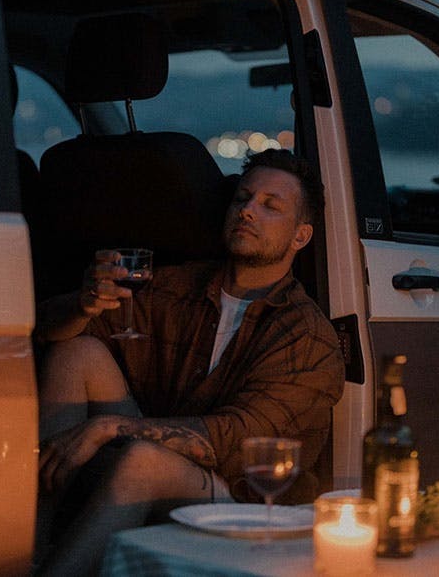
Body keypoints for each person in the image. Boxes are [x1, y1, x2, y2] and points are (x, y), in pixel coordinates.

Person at [32, 149, 345, 575]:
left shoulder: (305, 336)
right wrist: (83, 305)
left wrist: (108, 427)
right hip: (156, 455)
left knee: (141, 462)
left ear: (300, 236)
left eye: (271, 206)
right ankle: (27, 548)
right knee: (76, 352)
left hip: (246, 498)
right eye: (243, 199)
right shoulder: (179, 285)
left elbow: (240, 440)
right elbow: (46, 331)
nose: (248, 211)